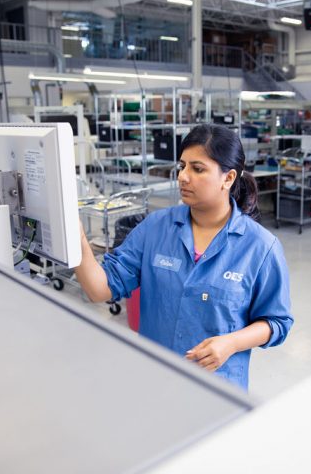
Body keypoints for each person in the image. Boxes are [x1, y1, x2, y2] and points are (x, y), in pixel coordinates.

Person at [75, 124, 293, 390]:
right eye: (182, 166)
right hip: (156, 379)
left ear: (228, 178)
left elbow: (276, 322)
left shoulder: (260, 247)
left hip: (218, 387)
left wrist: (231, 342)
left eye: (197, 169)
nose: (183, 177)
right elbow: (100, 289)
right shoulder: (155, 228)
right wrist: (78, 241)